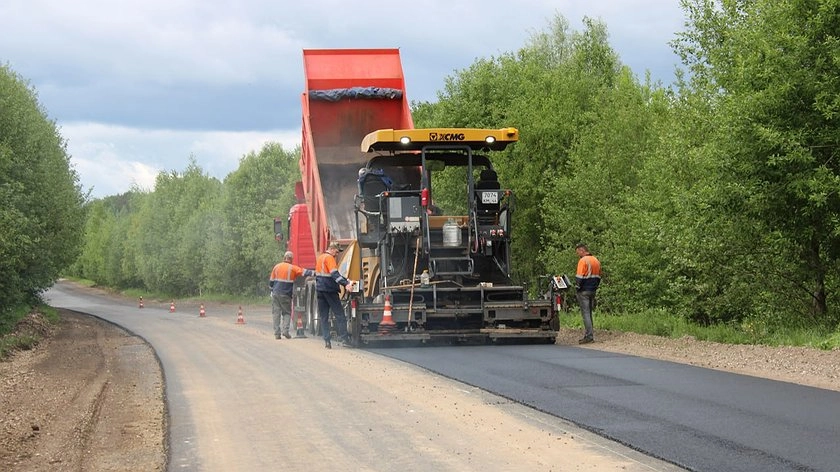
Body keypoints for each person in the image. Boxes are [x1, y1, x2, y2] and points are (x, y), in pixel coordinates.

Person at [316, 241, 354, 348]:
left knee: (324, 317)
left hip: (320, 290)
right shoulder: (330, 258)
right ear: (332, 249)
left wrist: (345, 280)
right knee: (339, 314)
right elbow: (334, 275)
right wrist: (346, 284)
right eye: (337, 252)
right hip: (330, 290)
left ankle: (327, 341)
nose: (337, 254)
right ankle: (344, 339)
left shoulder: (320, 258)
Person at [269, 251, 314, 340]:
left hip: (275, 294)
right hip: (286, 294)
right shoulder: (293, 268)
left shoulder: (276, 267)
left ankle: (277, 334)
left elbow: (271, 282)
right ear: (291, 259)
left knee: (276, 313)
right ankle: (285, 331)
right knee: (286, 313)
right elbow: (305, 272)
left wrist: (271, 290)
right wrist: (316, 273)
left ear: (284, 258)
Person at [575, 243, 601, 344]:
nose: (578, 255)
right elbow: (599, 276)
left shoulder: (583, 261)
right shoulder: (596, 260)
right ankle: (590, 335)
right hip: (593, 290)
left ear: (582, 250)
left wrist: (577, 288)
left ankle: (589, 336)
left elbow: (579, 277)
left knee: (585, 314)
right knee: (589, 313)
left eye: (578, 252)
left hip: (584, 291)